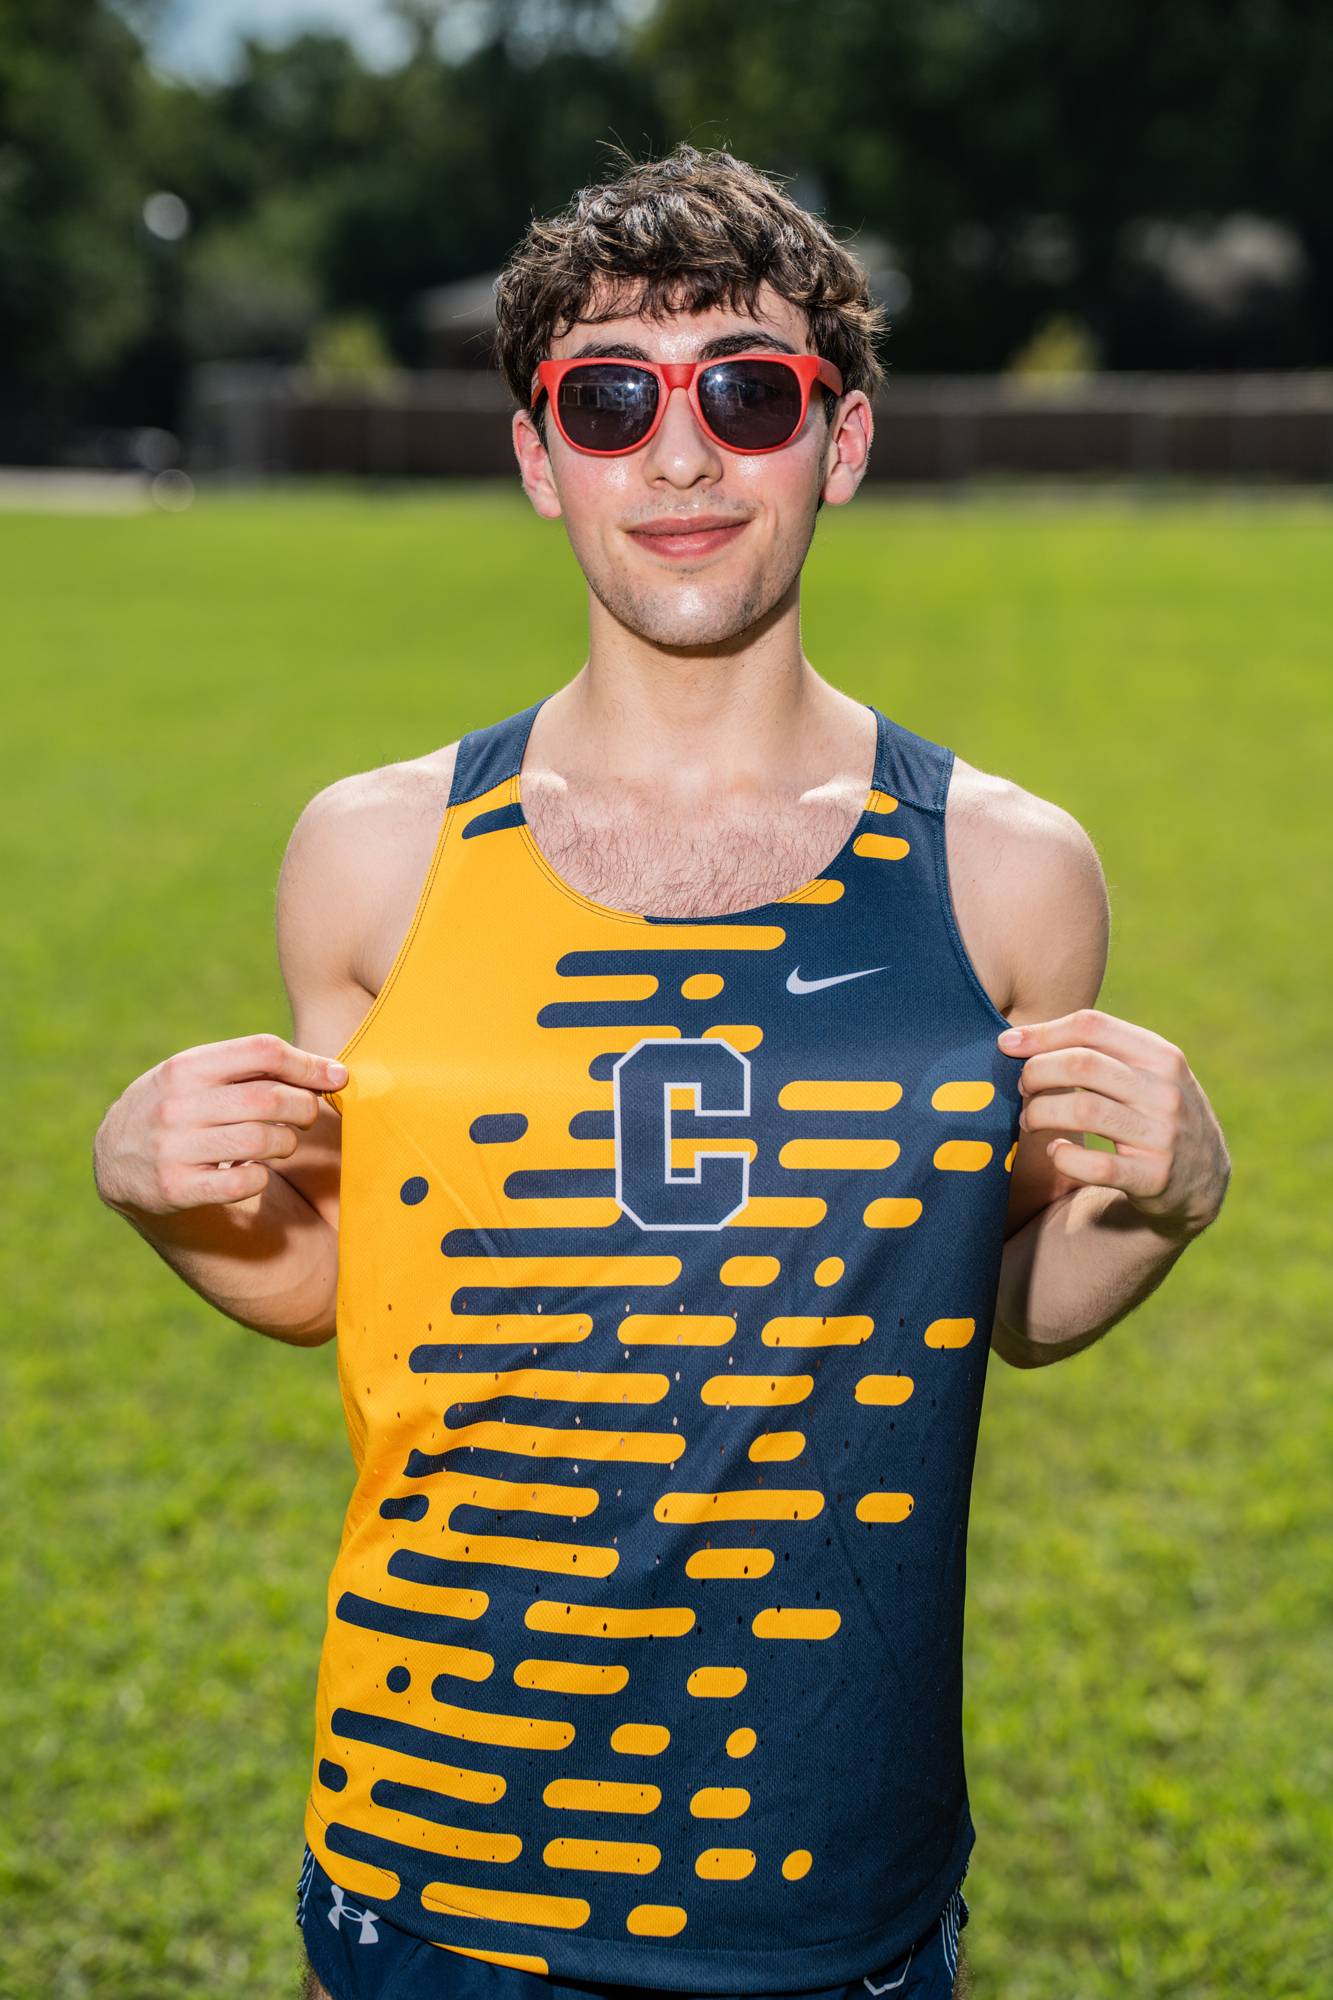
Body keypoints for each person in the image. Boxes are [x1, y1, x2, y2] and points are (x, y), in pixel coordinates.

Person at [93, 147, 1229, 2000]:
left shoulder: (1006, 873)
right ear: (540, 458)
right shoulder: (374, 854)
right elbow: (347, 1286)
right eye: (611, 400)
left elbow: (993, 1304)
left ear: (838, 442)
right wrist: (167, 1197)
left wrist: (1161, 1208)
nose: (682, 458)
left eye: (747, 394)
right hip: (434, 1863)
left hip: (827, 1882)